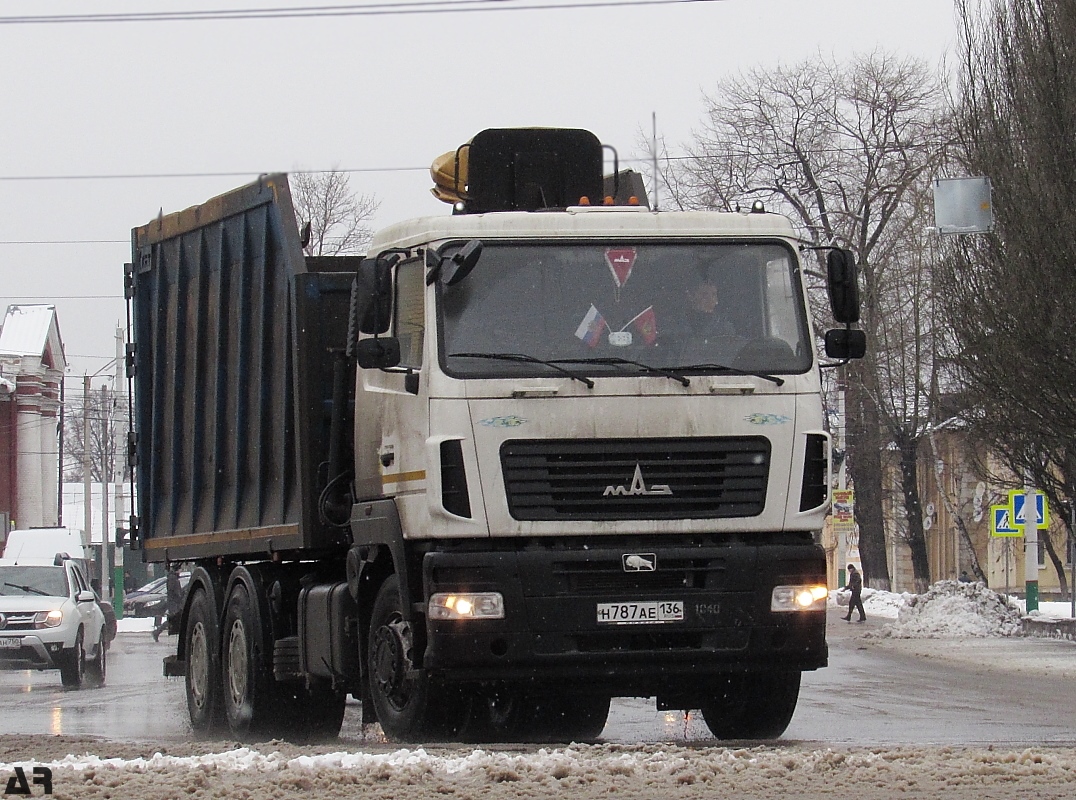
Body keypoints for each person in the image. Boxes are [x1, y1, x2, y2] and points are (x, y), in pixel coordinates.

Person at [152, 565, 184, 642]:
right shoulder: (173, 578)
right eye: (180, 570)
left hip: (174, 602)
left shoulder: (173, 577)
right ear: (177, 570)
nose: (181, 571)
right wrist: (180, 596)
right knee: (173, 619)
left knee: (175, 619)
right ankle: (157, 632)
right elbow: (174, 591)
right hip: (174, 602)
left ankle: (157, 632)